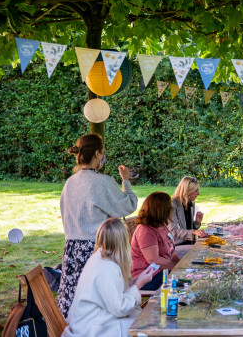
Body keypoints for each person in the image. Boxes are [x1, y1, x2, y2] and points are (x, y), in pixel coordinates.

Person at [58, 133, 138, 318]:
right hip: (97, 251)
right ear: (97, 154)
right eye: (103, 153)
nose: (103, 157)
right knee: (100, 310)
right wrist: (126, 181)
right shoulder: (102, 182)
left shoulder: (69, 183)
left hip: (71, 252)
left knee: (75, 307)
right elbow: (128, 205)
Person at [62, 218, 154, 337]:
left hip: (92, 321)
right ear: (121, 242)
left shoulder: (99, 258)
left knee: (143, 321)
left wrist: (136, 281)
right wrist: (139, 284)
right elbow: (119, 308)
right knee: (144, 327)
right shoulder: (107, 267)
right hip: (90, 328)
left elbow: (112, 294)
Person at [130, 191, 180, 290]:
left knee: (191, 276)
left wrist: (182, 265)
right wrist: (178, 268)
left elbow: (172, 253)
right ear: (161, 210)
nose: (171, 209)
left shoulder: (161, 225)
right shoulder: (145, 230)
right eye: (169, 206)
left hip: (163, 271)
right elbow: (154, 260)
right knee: (187, 282)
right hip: (148, 277)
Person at [169, 176, 208, 258]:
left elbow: (186, 227)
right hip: (175, 246)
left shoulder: (191, 203)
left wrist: (197, 222)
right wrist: (194, 232)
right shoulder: (173, 204)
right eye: (196, 191)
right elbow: (174, 231)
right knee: (201, 250)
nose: (198, 194)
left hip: (189, 243)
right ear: (187, 191)